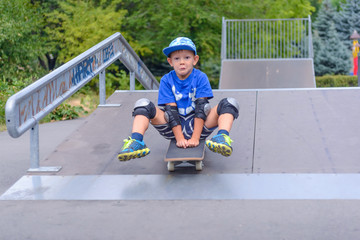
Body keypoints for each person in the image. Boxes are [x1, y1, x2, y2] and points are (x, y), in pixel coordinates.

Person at [117, 37, 239, 161]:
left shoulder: (201, 77)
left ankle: (222, 137)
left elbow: (201, 109)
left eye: (187, 57)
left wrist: (195, 138)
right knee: (143, 104)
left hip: (200, 126)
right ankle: (136, 141)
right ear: (170, 62)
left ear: (195, 60)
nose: (182, 62)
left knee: (229, 103)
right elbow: (171, 111)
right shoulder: (166, 80)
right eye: (177, 58)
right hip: (172, 126)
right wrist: (179, 138)